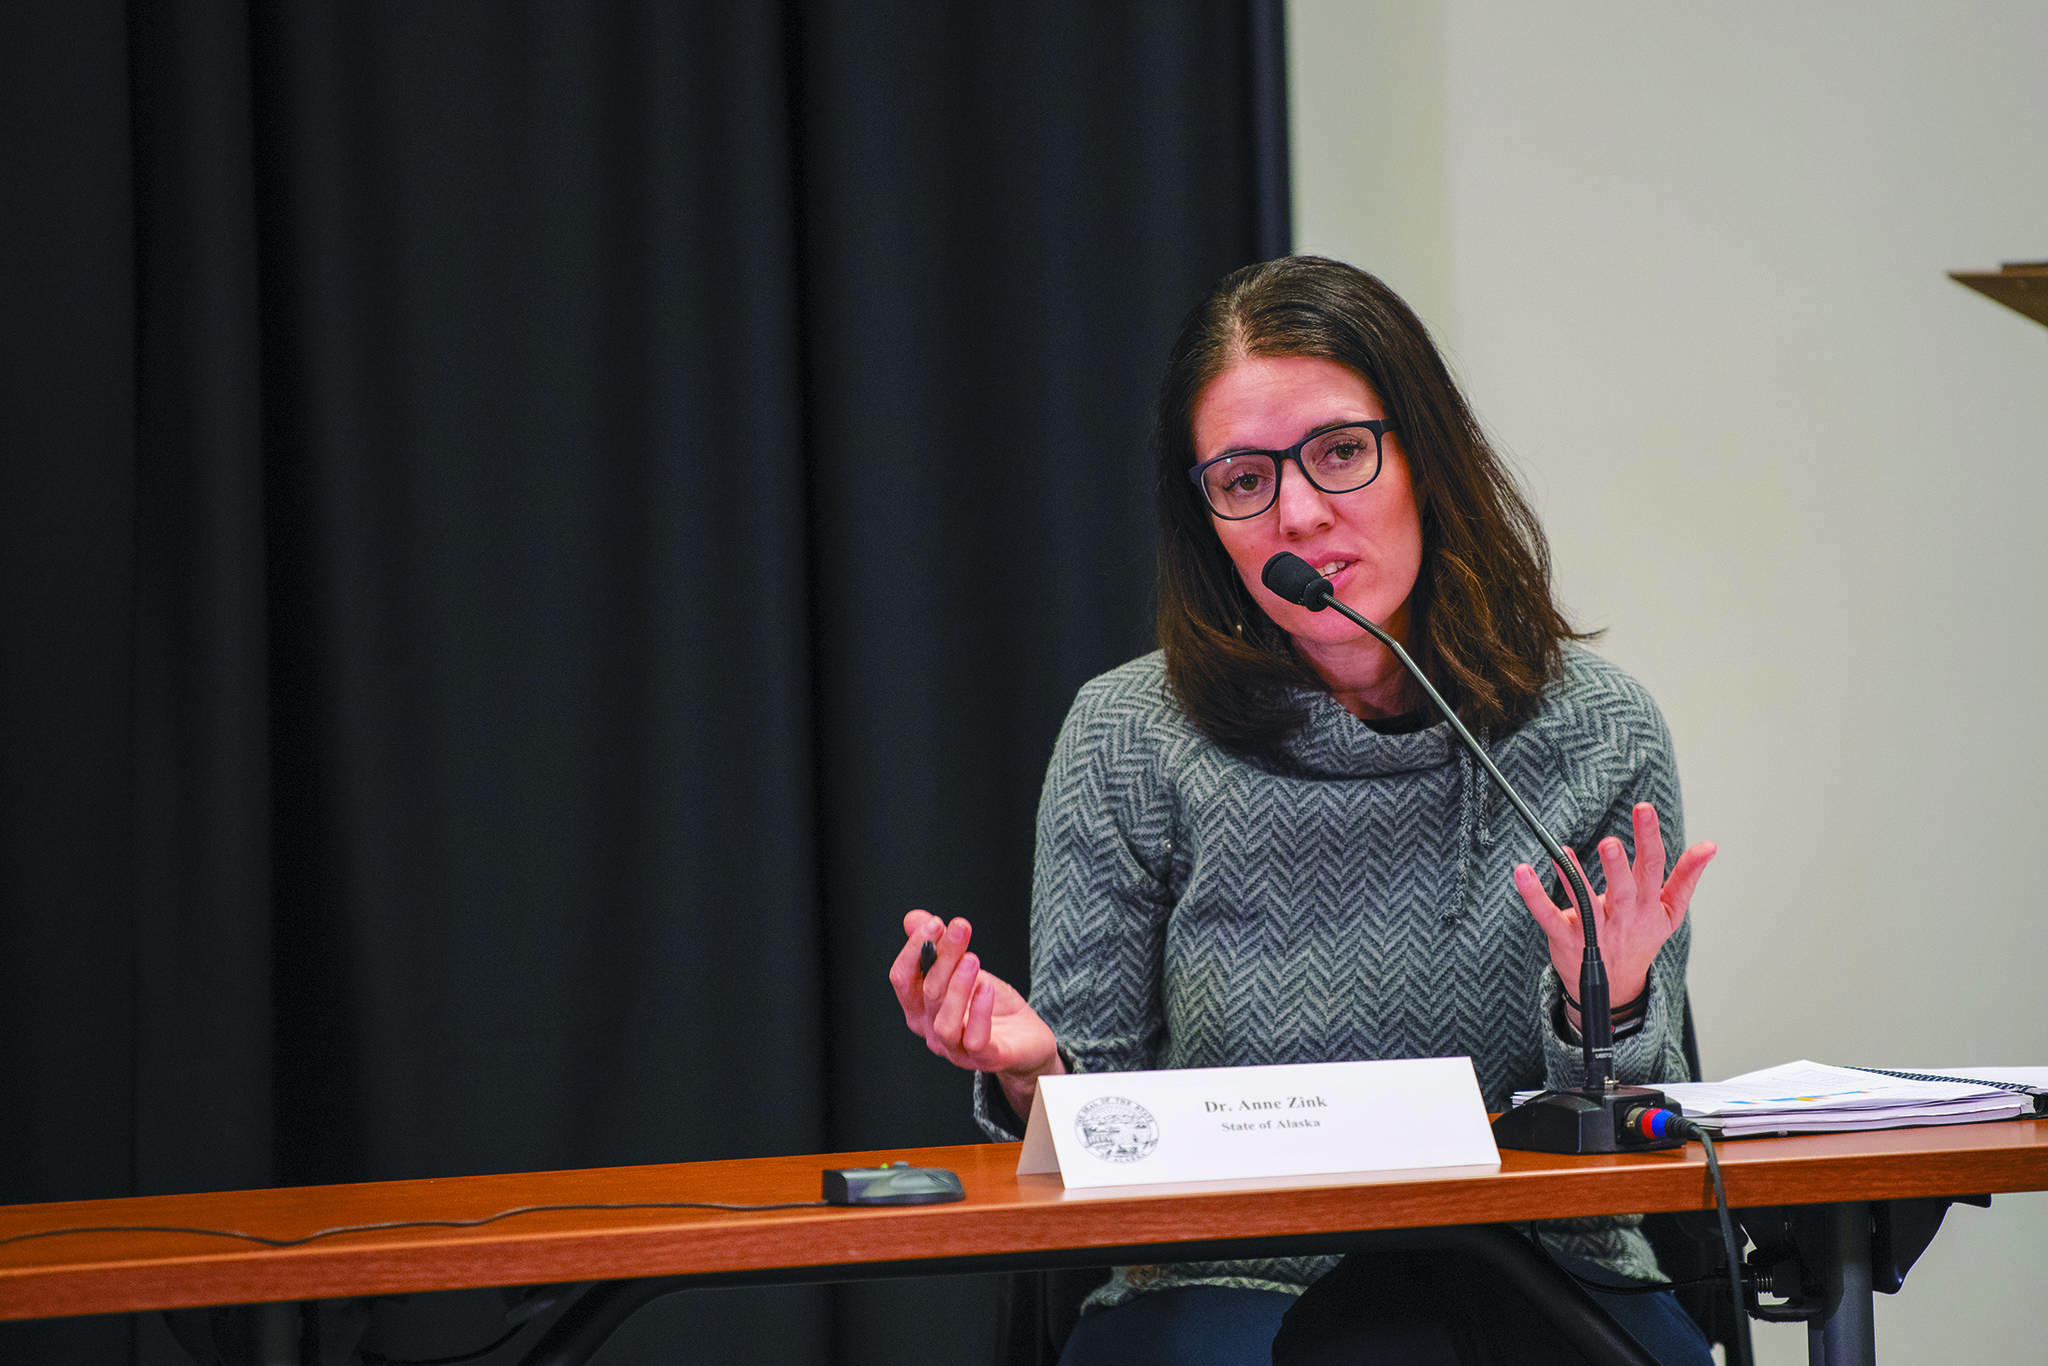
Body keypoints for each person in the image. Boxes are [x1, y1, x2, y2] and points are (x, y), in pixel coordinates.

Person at [886, 256, 1717, 1365]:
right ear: (1206, 518)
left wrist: (1596, 1012)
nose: (1299, 514)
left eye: (1338, 453)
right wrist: (1035, 1073)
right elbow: (1100, 1148)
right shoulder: (1130, 735)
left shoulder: (1594, 728)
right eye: (1243, 479)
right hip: (1227, 1274)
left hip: (1542, 1272)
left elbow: (1624, 1145)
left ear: (1425, 455)